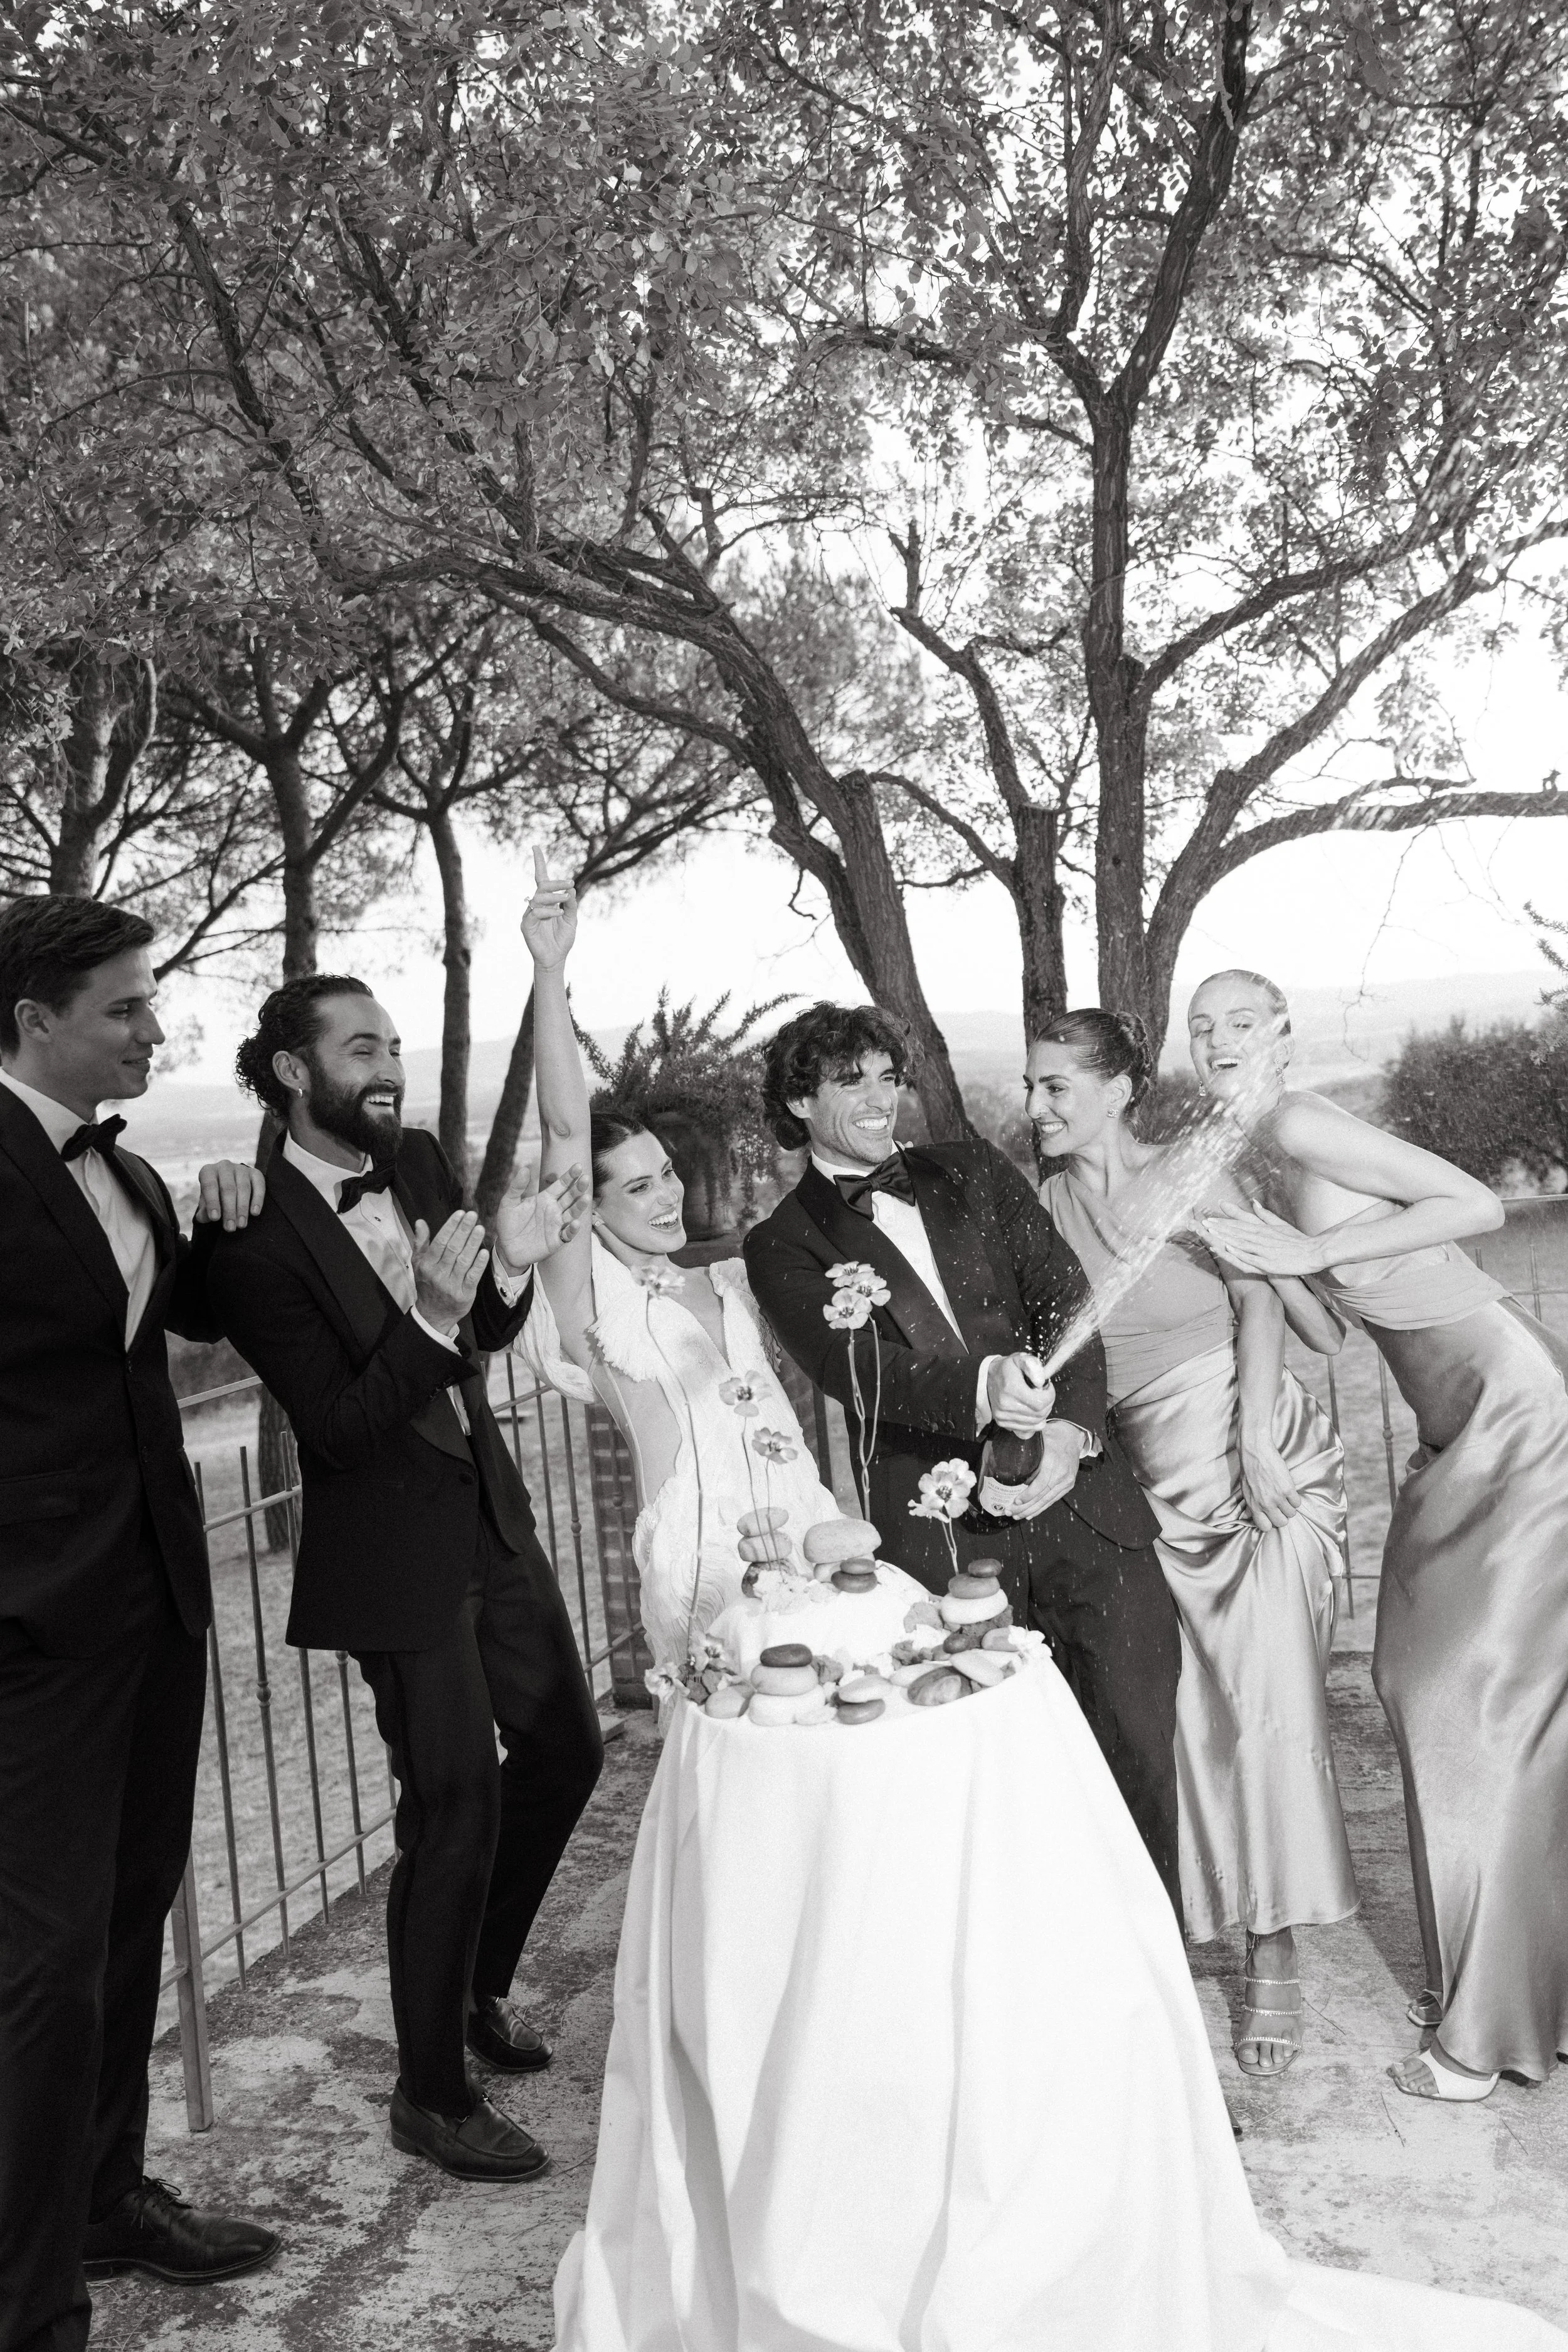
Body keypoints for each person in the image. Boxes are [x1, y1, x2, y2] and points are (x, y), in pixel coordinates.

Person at [204, 973, 603, 2183]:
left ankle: (474, 1984)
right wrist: (435, 1315)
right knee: (453, 1806)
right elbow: (335, 1424)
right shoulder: (249, 1228)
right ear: (289, 1070)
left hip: (490, 1511)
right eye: (360, 1045)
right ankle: (430, 2093)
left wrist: (511, 1276)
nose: (388, 1063)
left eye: (392, 1041)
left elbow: (473, 1332)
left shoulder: (420, 1158)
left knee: (567, 1750)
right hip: (387, 1550)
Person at [1194, 967, 1568, 2103]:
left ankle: (1480, 2036)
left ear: (1284, 1033)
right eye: (1202, 1026)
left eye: (1242, 1020)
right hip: (1455, 1437)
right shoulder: (1262, 1149)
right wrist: (1252, 1250)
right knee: (1439, 1682)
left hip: (1521, 1417)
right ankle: (1517, 1987)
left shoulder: (1304, 1118)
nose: (1219, 1039)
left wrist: (1301, 1253)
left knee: (1471, 1697)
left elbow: (1482, 1206)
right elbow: (1326, 1329)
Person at [0, 896, 278, 2352]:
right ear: (36, 1019)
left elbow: (180, 1329)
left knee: (121, 1927)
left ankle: (107, 2198)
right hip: (27, 1640)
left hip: (156, 1609)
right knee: (35, 1970)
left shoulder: (134, 1180)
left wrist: (230, 1200)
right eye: (124, 1009)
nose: (156, 1030)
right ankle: (26, 2299)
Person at [743, 998, 1185, 1912]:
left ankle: (1148, 1993)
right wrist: (985, 1388)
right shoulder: (781, 1242)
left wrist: (1070, 1432)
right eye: (848, 1080)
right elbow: (852, 1368)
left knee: (1136, 1747)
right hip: (945, 1540)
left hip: (1089, 1509)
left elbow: (1069, 1304)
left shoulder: (975, 1168)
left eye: (886, 1076)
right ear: (796, 1103)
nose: (879, 1098)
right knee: (986, 1776)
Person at [1029, 1008, 1357, 2078]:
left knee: (1265, 1705)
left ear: (1119, 1089)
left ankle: (1275, 1955)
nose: (1036, 1107)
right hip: (1148, 1491)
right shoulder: (1046, 1204)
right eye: (1033, 1086)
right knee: (1185, 1714)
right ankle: (1201, 1910)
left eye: (1055, 1088)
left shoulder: (1187, 1173)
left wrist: (1259, 1435)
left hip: (1244, 1461)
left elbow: (1268, 1305)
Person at [514, 853, 844, 1678]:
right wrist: (549, 970)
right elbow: (561, 1129)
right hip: (706, 1565)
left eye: (666, 1172)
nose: (667, 1195)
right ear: (590, 1204)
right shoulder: (593, 1296)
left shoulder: (728, 1279)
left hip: (804, 1523)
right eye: (637, 1184)